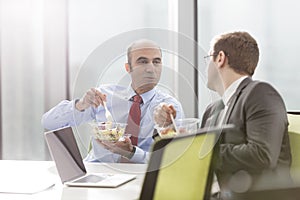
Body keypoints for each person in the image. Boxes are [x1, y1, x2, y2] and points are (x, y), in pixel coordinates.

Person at [154, 31, 292, 197]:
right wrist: (167, 127)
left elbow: (262, 155)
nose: (205, 67)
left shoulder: (260, 93)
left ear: (220, 58)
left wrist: (200, 150)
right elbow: (195, 160)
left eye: (207, 59)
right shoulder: (212, 111)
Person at [42, 39, 184, 164]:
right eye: (143, 61)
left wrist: (132, 153)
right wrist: (81, 105)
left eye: (156, 62)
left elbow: (171, 159)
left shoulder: (169, 108)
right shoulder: (105, 96)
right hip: (97, 172)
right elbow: (49, 122)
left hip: (140, 177)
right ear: (128, 68)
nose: (150, 68)